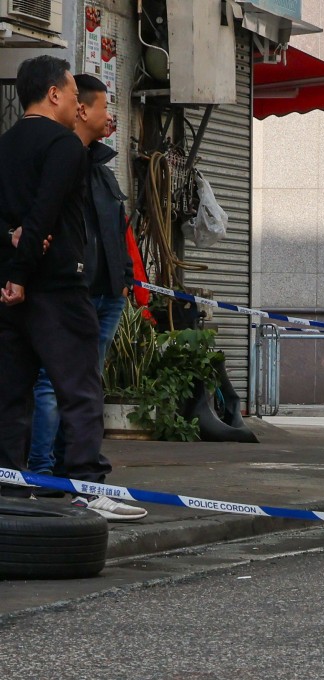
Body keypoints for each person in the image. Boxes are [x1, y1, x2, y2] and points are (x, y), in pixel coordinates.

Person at [0, 55, 146, 520]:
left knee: (13, 392)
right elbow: (46, 212)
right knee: (79, 387)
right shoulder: (64, 147)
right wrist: (24, 273)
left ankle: (8, 485)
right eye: (68, 90)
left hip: (6, 289)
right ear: (56, 94)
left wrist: (11, 259)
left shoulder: (4, 146)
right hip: (57, 286)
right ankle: (86, 483)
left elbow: (21, 223)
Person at [28, 74, 134, 489]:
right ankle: (39, 474)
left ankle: (70, 470)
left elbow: (116, 228)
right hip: (71, 292)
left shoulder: (102, 169)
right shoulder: (59, 160)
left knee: (85, 385)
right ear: (81, 109)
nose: (111, 118)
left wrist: (123, 280)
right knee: (51, 384)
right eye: (105, 108)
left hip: (108, 295)